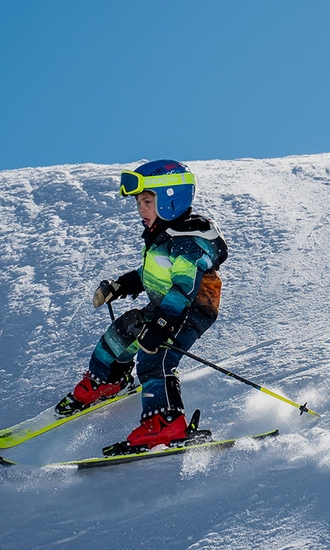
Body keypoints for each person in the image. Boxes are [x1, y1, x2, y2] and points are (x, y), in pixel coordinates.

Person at [57, 159, 227, 451]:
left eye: (147, 201)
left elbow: (184, 288)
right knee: (122, 332)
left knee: (155, 356)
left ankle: (165, 422)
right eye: (139, 203)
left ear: (171, 198)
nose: (141, 209)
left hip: (188, 310)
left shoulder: (188, 242)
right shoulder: (163, 237)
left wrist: (162, 326)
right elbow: (150, 273)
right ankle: (107, 380)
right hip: (163, 306)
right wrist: (121, 286)